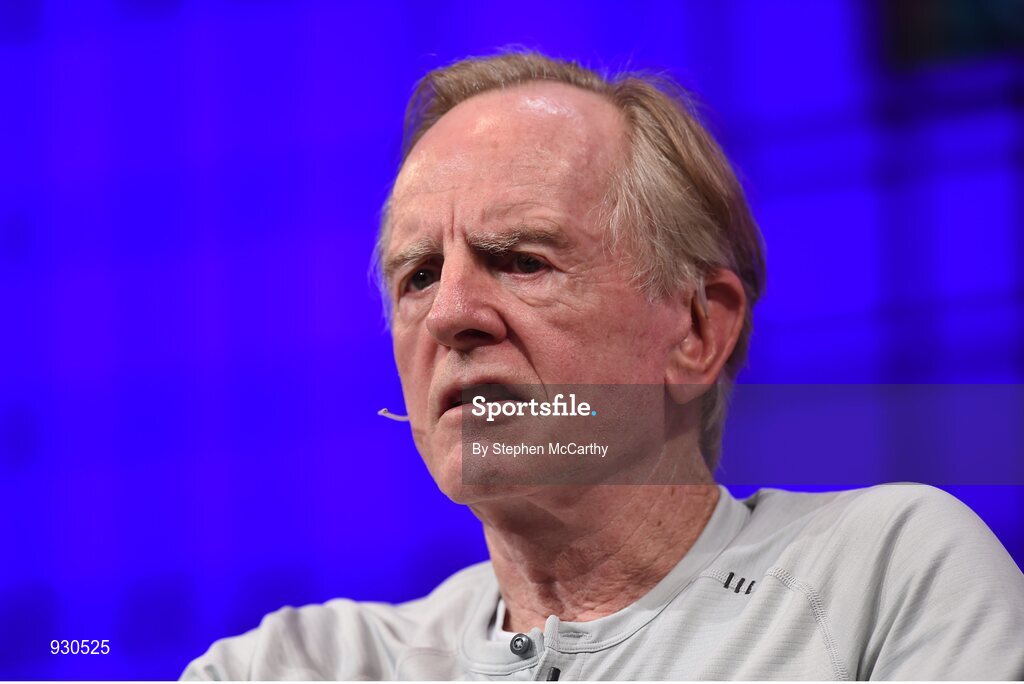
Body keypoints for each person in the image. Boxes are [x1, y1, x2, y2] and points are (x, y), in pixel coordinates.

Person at [182, 51, 1024, 680]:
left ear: (698, 328)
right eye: (419, 275)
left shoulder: (882, 576)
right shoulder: (295, 668)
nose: (450, 316)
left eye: (520, 260)